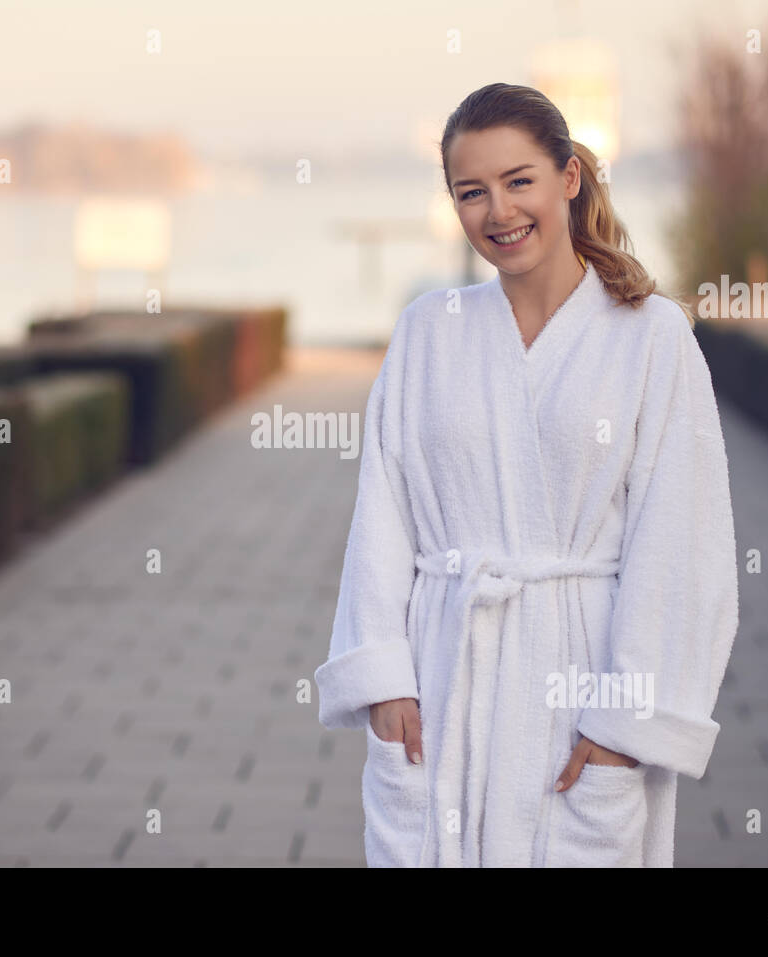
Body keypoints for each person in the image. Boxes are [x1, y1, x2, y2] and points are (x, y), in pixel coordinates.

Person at [313, 83, 739, 867]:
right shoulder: (427, 332)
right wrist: (384, 682)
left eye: (519, 181)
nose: (498, 212)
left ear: (569, 177)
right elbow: (383, 510)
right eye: (471, 192)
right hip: (447, 681)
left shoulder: (653, 337)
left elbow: (681, 542)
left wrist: (623, 734)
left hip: (584, 688)